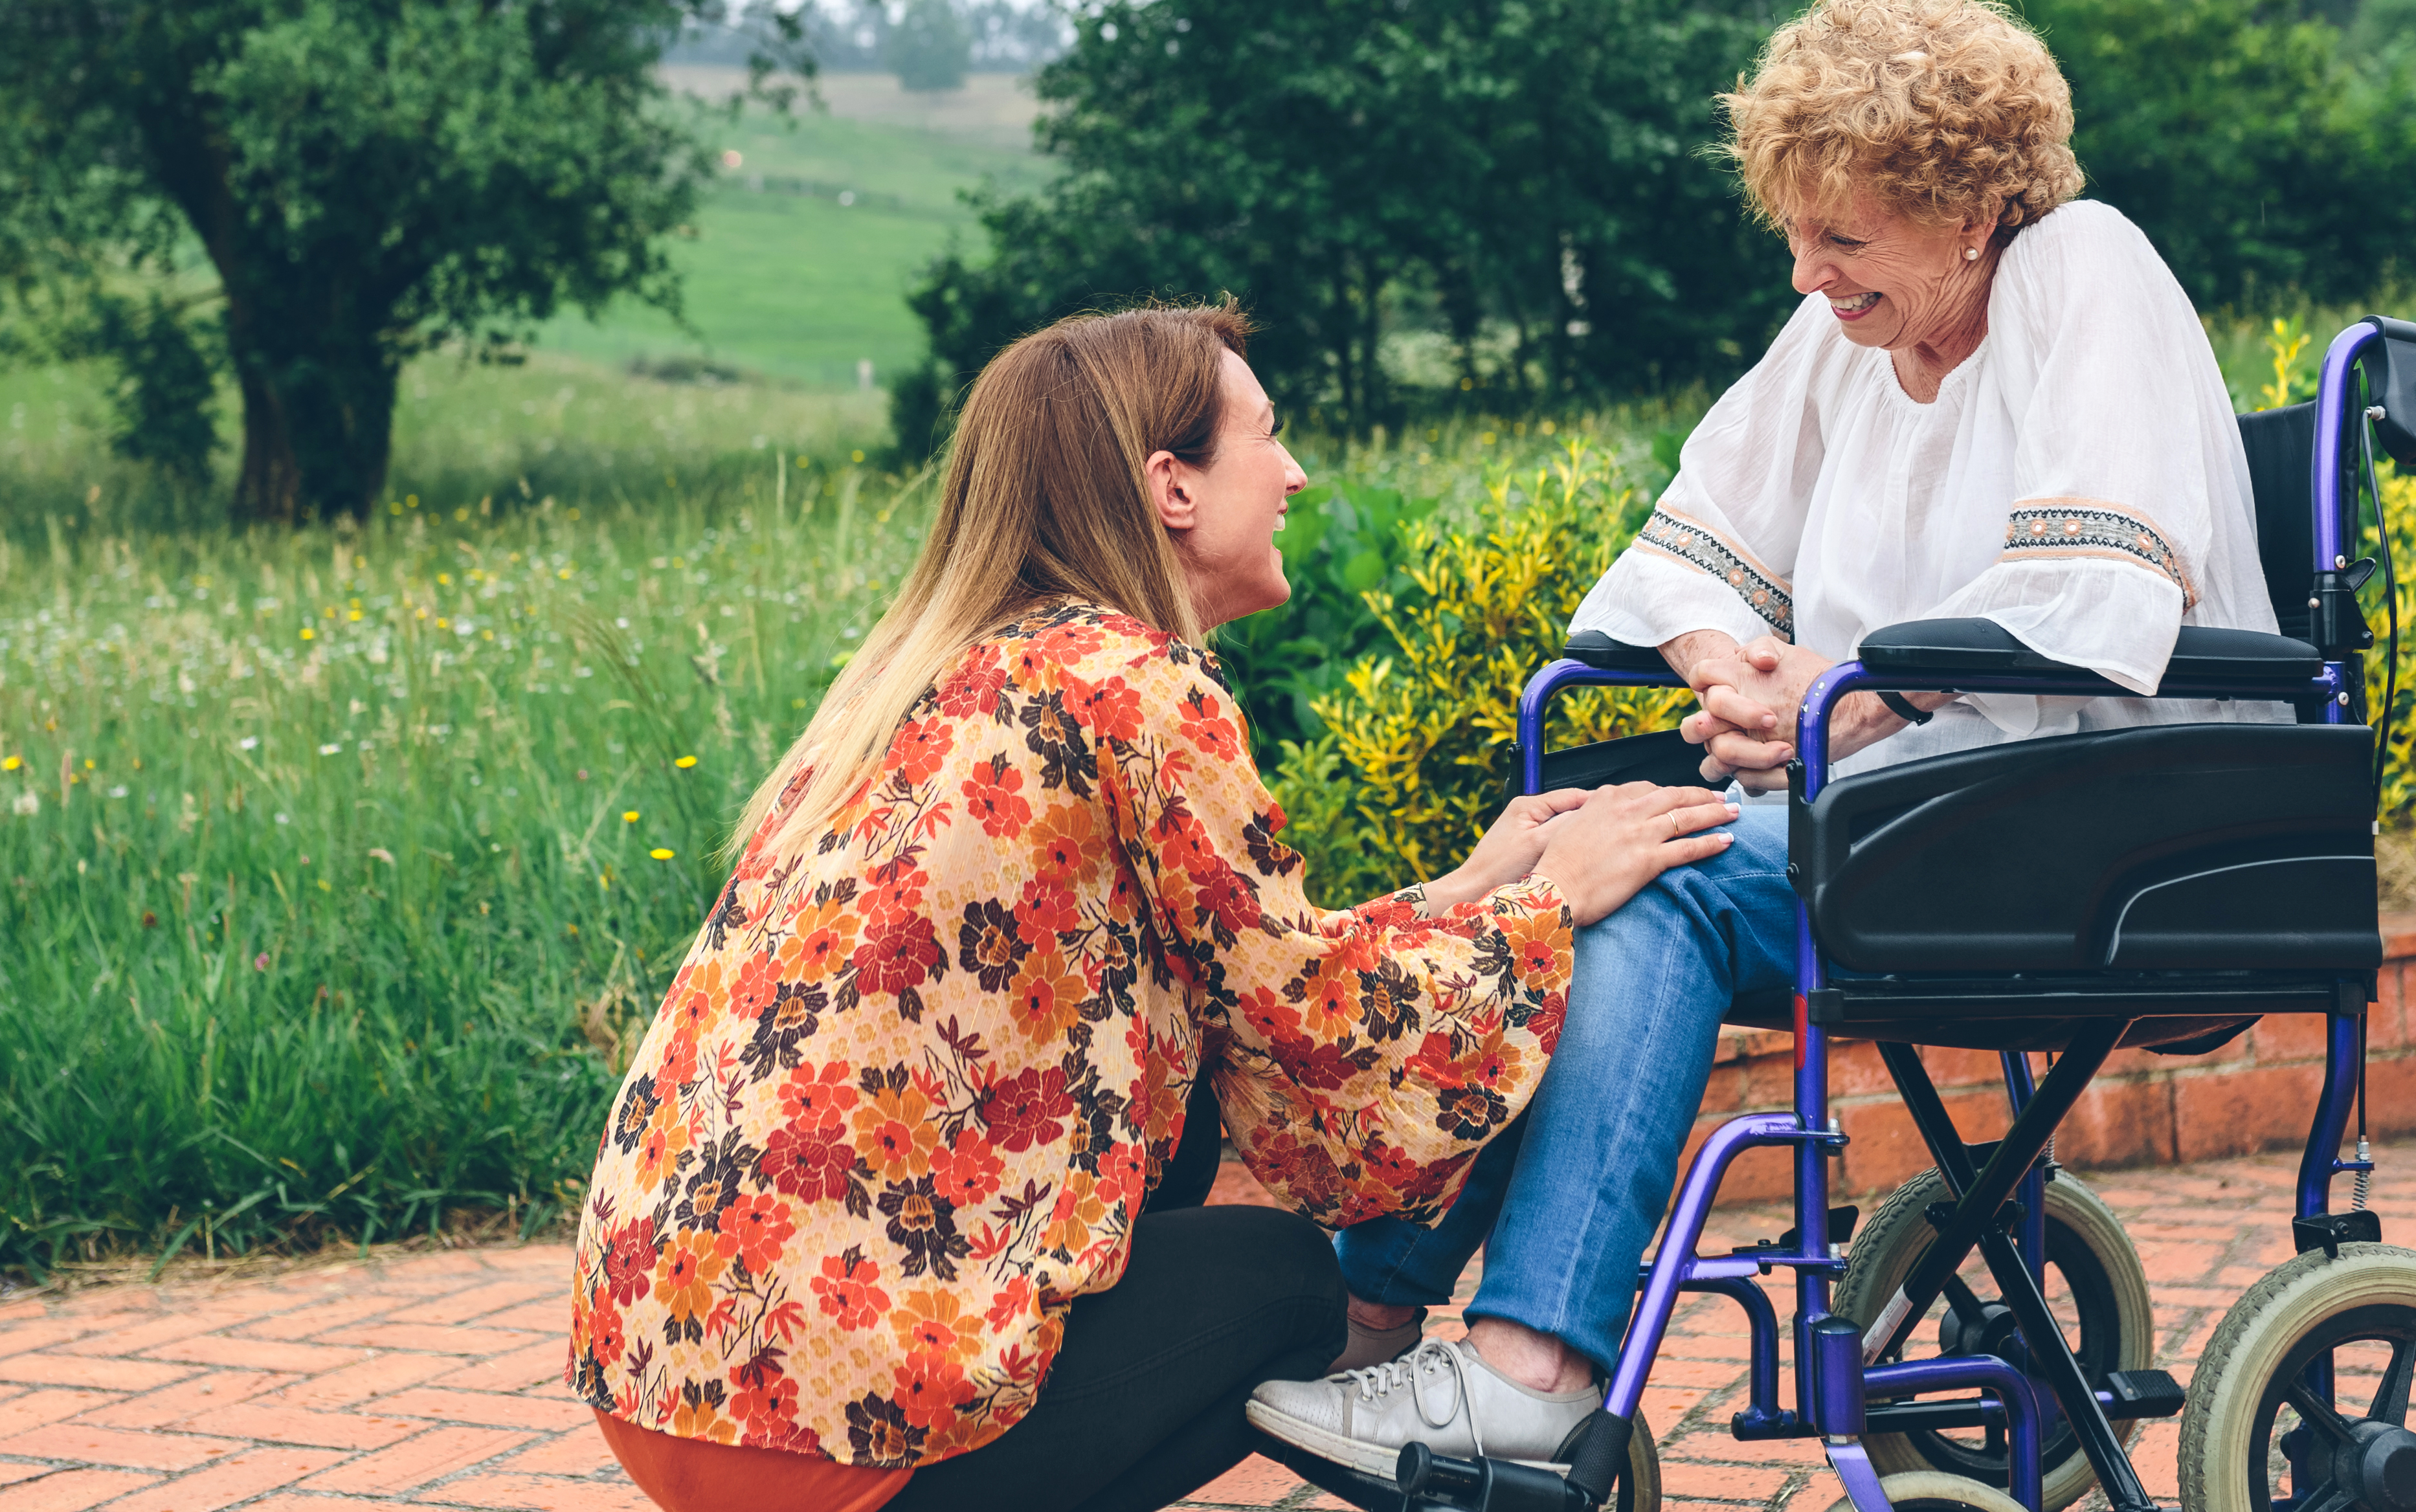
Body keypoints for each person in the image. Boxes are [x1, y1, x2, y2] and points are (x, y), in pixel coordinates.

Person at [1246, 0, 2290, 1478]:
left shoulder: (2085, 272)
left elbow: (2098, 590)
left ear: (1976, 207)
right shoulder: (1850, 340)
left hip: (2106, 825)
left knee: (1649, 874)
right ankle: (1366, 1321)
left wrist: (1845, 696)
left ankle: (1522, 1371)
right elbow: (1693, 541)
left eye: (1844, 238)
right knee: (1581, 852)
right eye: (1796, 234)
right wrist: (1727, 663)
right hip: (1916, 820)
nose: (1808, 274)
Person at [569, 302, 1737, 1512]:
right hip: (835, 1431)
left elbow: (1240, 963)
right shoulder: (1134, 684)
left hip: (671, 1379)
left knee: (1164, 1139)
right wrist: (1549, 910)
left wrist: (1468, 888)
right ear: (1171, 486)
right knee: (1286, 1283)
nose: (1293, 475)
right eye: (1267, 439)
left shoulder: (940, 675)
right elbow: (1314, 1036)